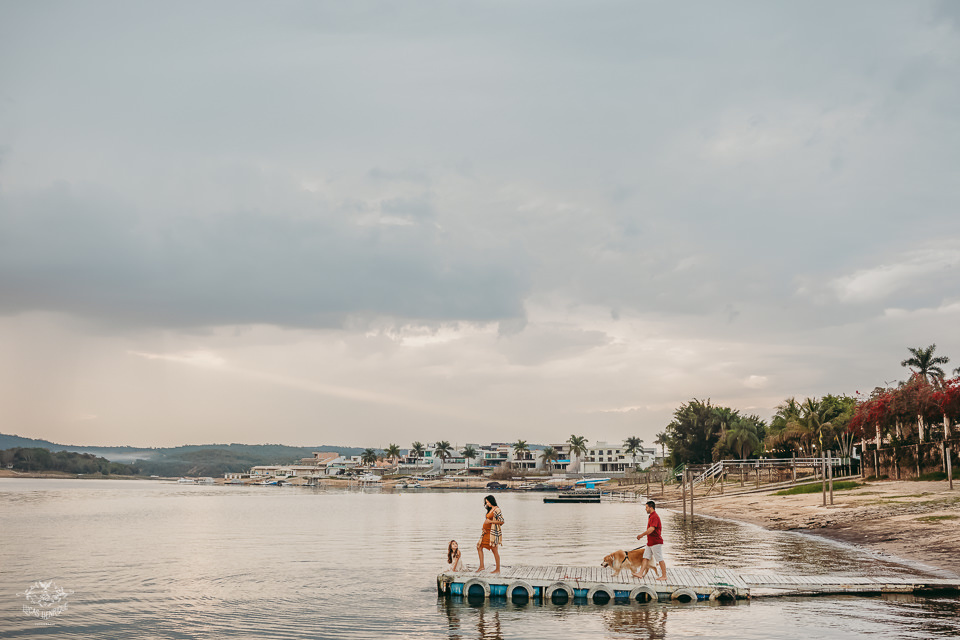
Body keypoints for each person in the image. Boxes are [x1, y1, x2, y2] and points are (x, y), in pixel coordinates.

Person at [635, 500, 667, 581]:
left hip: (656, 542)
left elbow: (651, 529)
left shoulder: (654, 516)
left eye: (646, 507)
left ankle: (664, 576)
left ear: (651, 507)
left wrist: (641, 535)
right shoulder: (651, 516)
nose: (645, 509)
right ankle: (640, 573)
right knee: (645, 558)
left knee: (659, 559)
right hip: (650, 542)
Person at [477, 495, 504, 574]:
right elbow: (487, 520)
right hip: (486, 532)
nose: (487, 504)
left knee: (494, 550)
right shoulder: (490, 509)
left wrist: (490, 522)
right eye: (486, 502)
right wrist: (484, 528)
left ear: (491, 501)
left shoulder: (497, 509)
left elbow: (502, 521)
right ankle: (481, 566)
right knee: (479, 546)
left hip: (492, 533)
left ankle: (497, 569)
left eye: (487, 502)